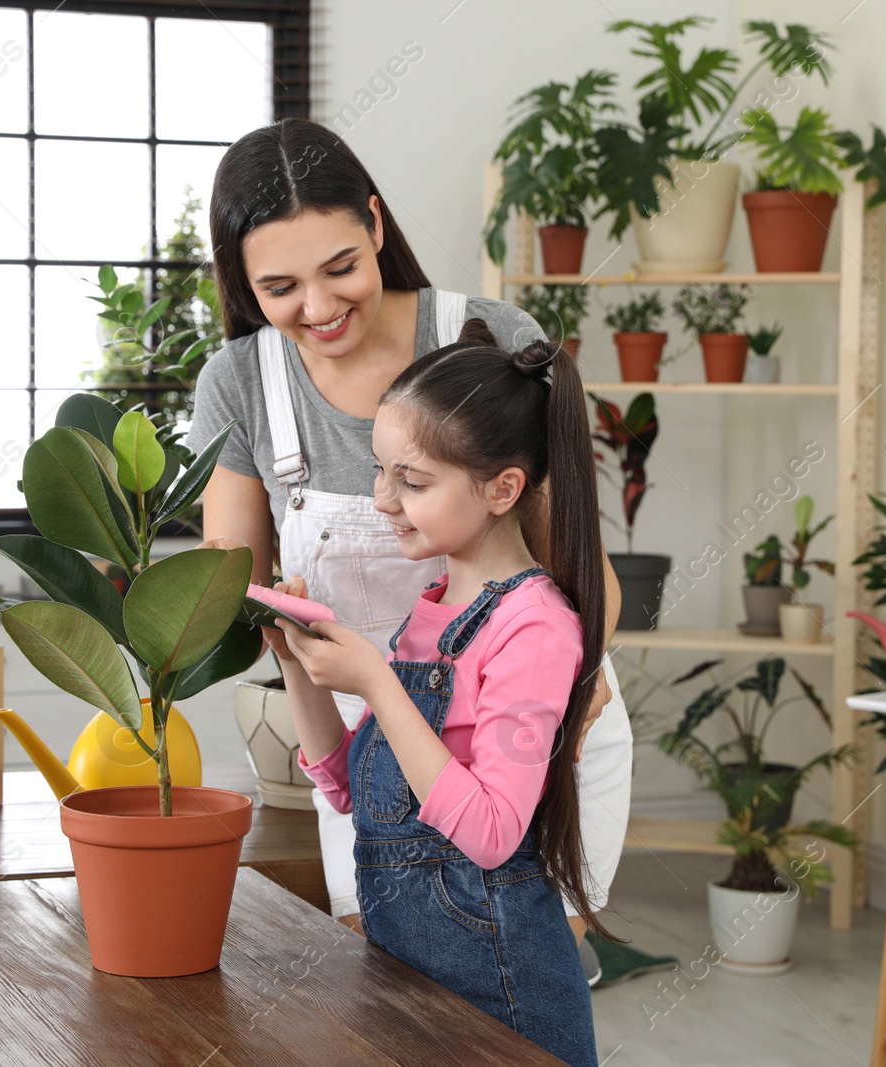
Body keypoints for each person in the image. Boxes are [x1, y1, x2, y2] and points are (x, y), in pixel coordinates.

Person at [188, 118, 632, 979]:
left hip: (529, 728)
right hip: (377, 752)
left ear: (378, 227)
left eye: (341, 268)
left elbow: (576, 561)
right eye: (279, 286)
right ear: (241, 282)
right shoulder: (241, 381)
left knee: (516, 1000)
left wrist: (569, 703)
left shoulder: (486, 335)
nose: (318, 308)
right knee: (390, 1003)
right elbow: (231, 585)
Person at [277, 323, 604, 1067]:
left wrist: (377, 683)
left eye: (413, 481)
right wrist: (297, 660)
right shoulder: (431, 607)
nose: (382, 498)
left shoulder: (535, 626)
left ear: (503, 488)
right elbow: (352, 791)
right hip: (409, 983)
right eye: (381, 470)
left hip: (503, 999)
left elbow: (490, 831)